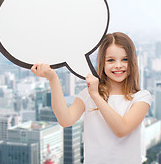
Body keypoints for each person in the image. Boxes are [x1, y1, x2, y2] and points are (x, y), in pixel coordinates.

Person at [31, 32, 152, 164]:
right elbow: (65, 120)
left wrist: (95, 95)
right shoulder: (87, 93)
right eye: (111, 60)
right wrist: (53, 78)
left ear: (133, 62)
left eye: (125, 59)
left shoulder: (141, 97)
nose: (118, 65)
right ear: (102, 63)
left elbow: (122, 129)